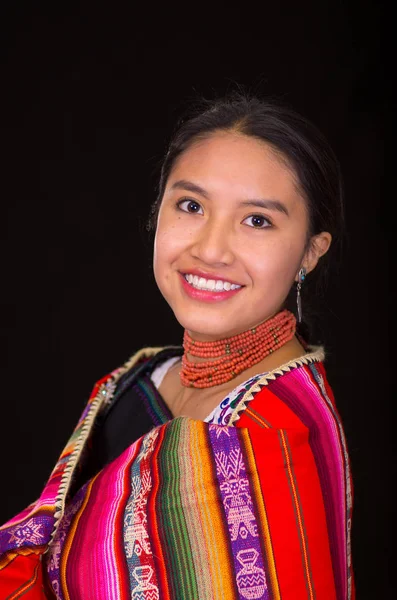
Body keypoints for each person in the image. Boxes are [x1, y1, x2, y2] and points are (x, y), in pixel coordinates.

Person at [0, 93, 355, 599]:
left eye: (257, 220)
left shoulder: (272, 438)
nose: (210, 249)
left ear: (310, 253)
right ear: (156, 211)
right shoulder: (144, 378)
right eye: (191, 206)